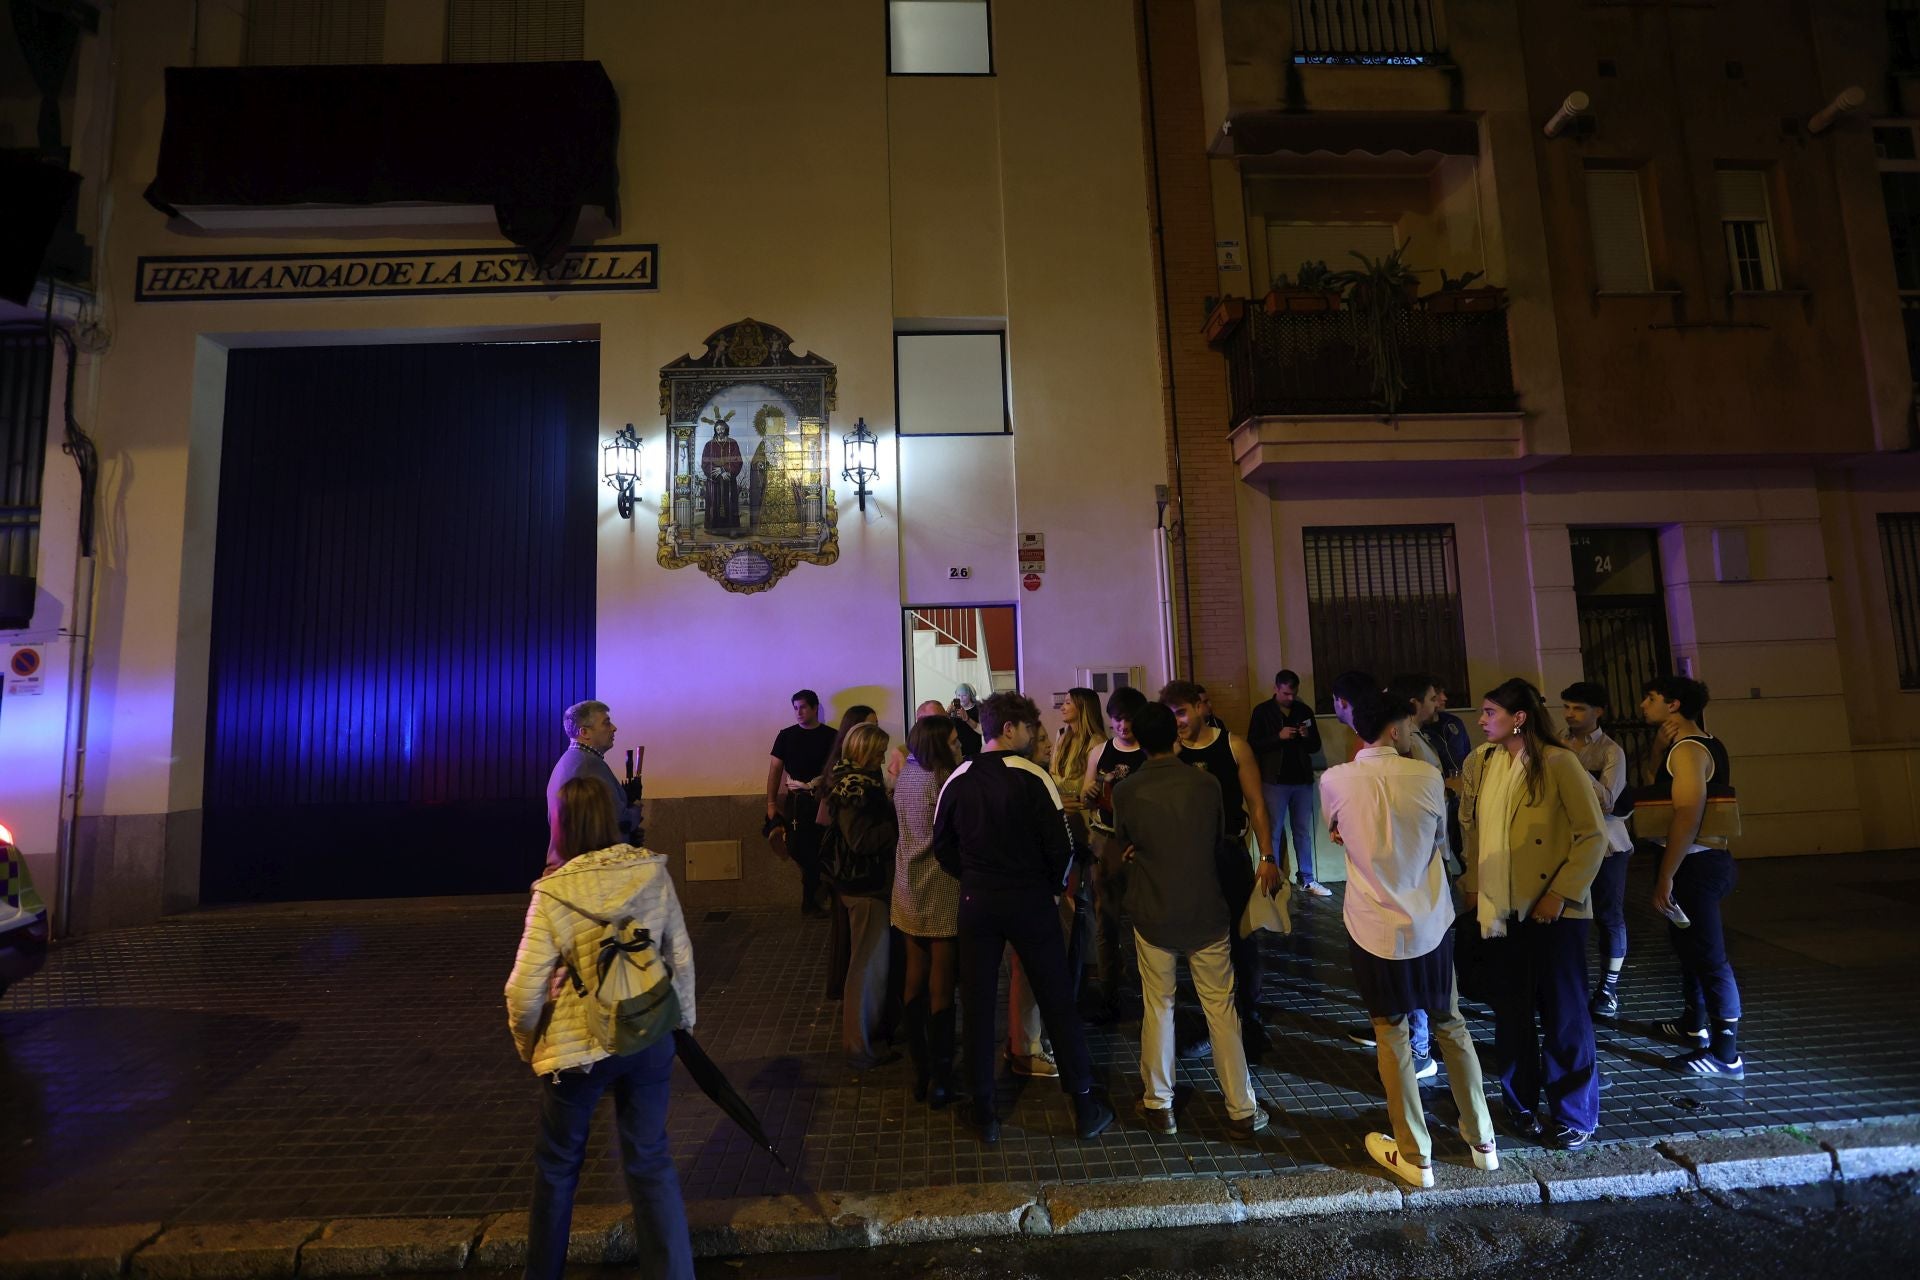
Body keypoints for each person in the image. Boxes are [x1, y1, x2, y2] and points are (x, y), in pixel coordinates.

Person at [505, 778, 697, 1280]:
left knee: (557, 1168)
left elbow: (522, 991)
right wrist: (684, 1026)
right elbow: (680, 953)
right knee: (651, 1160)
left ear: (561, 826)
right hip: (648, 1033)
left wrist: (530, 1047)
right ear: (613, 819)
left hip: (576, 1050)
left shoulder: (553, 892)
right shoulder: (652, 872)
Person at [1320, 689, 1498, 1189]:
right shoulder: (1426, 776)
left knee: (1392, 1034)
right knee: (1451, 1024)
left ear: (1360, 731)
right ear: (1396, 730)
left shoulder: (1334, 780)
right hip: (1430, 921)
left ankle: (1416, 1155)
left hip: (1372, 922)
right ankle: (1482, 1140)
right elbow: (1439, 838)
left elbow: (1336, 830)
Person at [934, 691, 1115, 1145]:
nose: (1035, 734)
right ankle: (1084, 1106)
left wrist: (972, 877)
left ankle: (985, 1112)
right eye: (1030, 727)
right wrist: (1052, 888)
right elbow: (1061, 846)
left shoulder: (958, 777)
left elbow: (943, 846)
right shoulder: (1034, 777)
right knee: (1056, 1000)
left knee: (977, 1004)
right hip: (1031, 900)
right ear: (1009, 729)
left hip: (977, 902)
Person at [1460, 678, 1608, 1149]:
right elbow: (1476, 830)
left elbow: (1592, 835)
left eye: (1489, 712)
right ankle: (1519, 1104)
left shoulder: (1559, 762)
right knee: (1513, 1012)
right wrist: (1473, 884)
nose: (1481, 720)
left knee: (1565, 1015)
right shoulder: (1486, 764)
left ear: (1518, 717)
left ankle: (1574, 1114)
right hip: (1500, 907)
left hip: (1553, 911)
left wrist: (1561, 893)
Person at [1114, 701, 1270, 1137]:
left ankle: (1158, 1104)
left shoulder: (1127, 791)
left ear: (1140, 742)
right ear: (1176, 736)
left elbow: (1125, 840)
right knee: (1221, 1007)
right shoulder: (1205, 785)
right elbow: (1218, 835)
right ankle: (1241, 1109)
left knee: (1158, 1005)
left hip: (1154, 910)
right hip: (1206, 908)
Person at [1160, 680, 1284, 1058]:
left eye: (1181, 712)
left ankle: (1250, 1017)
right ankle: (1211, 1019)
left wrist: (1267, 857)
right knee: (1196, 943)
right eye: (1171, 715)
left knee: (1241, 939)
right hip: (1186, 860)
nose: (1177, 721)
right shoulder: (1170, 752)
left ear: (1201, 706)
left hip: (1228, 853)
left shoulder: (1233, 745)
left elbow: (1257, 804)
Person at [1639, 676, 1745, 1079]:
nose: (1643, 704)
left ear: (1673, 705)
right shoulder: (1702, 743)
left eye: (1651, 698)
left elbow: (1687, 813)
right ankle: (1693, 1022)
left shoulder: (1688, 750)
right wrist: (1656, 750)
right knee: (1688, 947)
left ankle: (1726, 1054)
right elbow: (1657, 787)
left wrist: (1666, 875)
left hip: (1696, 863)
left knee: (1710, 956)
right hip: (1703, 860)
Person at [894, 713, 964, 1106]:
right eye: (953, 741)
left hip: (907, 882)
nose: (959, 746)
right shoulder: (943, 780)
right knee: (941, 982)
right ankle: (940, 1076)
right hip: (940, 882)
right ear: (939, 745)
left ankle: (918, 1072)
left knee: (914, 976)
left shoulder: (906, 775)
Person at [822, 722, 899, 1069]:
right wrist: (897, 823)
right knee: (866, 966)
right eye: (879, 751)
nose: (883, 757)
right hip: (865, 885)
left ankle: (865, 1040)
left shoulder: (853, 782)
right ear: (864, 751)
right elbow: (861, 841)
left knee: (868, 963)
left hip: (862, 886)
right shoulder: (855, 787)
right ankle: (859, 1045)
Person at [1560, 681, 1633, 1018]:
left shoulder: (1609, 751)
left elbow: (1608, 801)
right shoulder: (1557, 742)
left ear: (1598, 712)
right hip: (1566, 842)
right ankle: (1570, 984)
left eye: (1579, 708)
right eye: (1568, 707)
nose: (1571, 714)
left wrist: (1574, 769)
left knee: (1608, 915)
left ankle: (1608, 987)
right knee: (1569, 915)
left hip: (1608, 845)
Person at [1082, 685, 1149, 1022]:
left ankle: (1151, 989)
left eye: (1129, 720)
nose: (1123, 726)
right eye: (1117, 720)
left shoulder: (1150, 752)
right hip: (1106, 840)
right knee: (1106, 921)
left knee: (1146, 921)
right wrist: (1090, 791)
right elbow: (1085, 794)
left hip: (1142, 845)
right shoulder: (1099, 752)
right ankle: (1109, 993)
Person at [1247, 669, 1328, 898]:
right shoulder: (1262, 712)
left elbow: (1315, 746)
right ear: (1276, 688)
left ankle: (1307, 878)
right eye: (1286, 694)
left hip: (1301, 780)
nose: (1290, 698)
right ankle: (1272, 878)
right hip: (1274, 781)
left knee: (1302, 831)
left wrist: (1306, 735)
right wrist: (1278, 737)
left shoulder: (1304, 711)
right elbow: (1252, 745)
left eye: (1293, 693)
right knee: (1272, 831)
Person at [545, 700, 643, 871]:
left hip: (569, 867)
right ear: (584, 732)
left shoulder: (568, 761)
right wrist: (635, 808)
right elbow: (616, 821)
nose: (613, 728)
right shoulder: (588, 764)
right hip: (588, 870)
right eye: (606, 723)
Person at [766, 690, 838, 917]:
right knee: (799, 848)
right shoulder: (786, 736)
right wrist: (770, 803)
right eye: (795, 707)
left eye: (803, 707)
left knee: (822, 849)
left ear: (815, 708)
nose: (799, 712)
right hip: (797, 802)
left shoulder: (831, 736)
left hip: (821, 799)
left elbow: (836, 769)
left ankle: (815, 899)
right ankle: (813, 897)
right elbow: (775, 771)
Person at [700, 420, 743, 533]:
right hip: (714, 482)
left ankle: (731, 529)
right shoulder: (709, 445)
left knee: (729, 503)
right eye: (718, 429)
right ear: (715, 430)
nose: (720, 431)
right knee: (714, 504)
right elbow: (705, 463)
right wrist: (717, 471)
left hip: (728, 480)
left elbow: (738, 461)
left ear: (726, 429)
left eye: (722, 429)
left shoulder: (733, 443)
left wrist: (725, 470)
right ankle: (713, 528)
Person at [1431, 683, 1475, 771]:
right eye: (1438, 693)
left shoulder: (1454, 721)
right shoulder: (1419, 730)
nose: (1444, 698)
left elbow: (1467, 752)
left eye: (1443, 693)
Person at [950, 683, 984, 760]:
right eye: (958, 695)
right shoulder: (955, 708)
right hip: (958, 750)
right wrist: (948, 713)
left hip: (973, 750)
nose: (961, 698)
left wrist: (967, 718)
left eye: (964, 695)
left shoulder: (978, 708)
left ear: (970, 695)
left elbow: (982, 730)